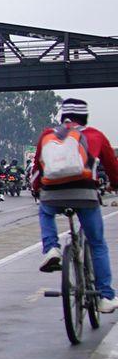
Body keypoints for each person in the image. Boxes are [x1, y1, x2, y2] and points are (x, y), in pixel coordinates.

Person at [31, 98, 118, 311]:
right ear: (85, 117)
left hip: (52, 195)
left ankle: (52, 248)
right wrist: (114, 185)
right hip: (85, 195)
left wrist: (37, 190)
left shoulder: (47, 135)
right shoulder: (96, 136)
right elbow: (113, 168)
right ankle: (105, 296)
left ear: (63, 116)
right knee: (97, 243)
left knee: (45, 212)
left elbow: (37, 168)